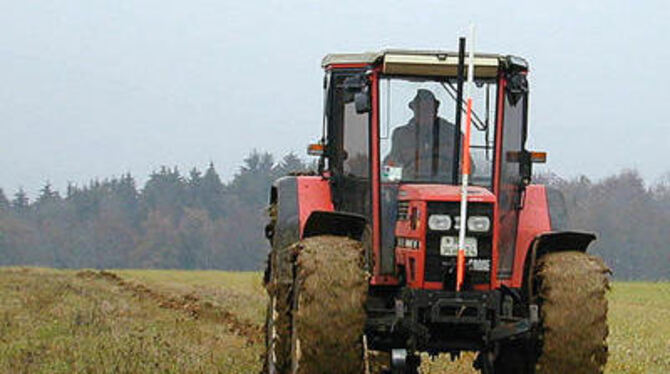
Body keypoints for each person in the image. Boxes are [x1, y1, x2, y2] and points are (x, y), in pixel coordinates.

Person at [384, 89, 460, 181]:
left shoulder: (452, 133)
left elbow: (467, 166)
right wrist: (397, 179)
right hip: (409, 186)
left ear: (436, 110)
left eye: (429, 108)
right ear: (414, 109)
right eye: (420, 108)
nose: (425, 112)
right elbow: (390, 167)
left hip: (446, 187)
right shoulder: (401, 135)